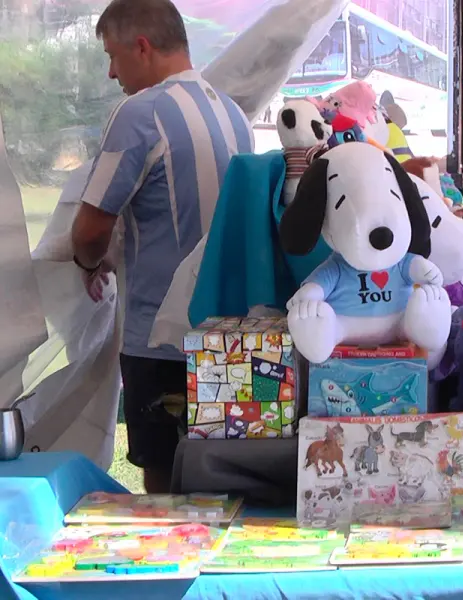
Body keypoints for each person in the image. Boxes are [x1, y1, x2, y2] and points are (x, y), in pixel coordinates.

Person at [71, 0, 254, 493]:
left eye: (113, 56)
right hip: (233, 338)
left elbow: (89, 231)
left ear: (143, 47)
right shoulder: (233, 113)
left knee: (167, 500)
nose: (111, 73)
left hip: (161, 343)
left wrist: (87, 263)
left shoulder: (140, 113)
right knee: (229, 487)